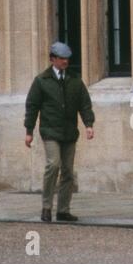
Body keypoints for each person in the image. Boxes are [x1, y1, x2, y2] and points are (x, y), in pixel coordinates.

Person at [24, 42, 95, 223]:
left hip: (69, 131)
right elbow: (32, 106)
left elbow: (84, 103)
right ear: (52, 59)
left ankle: (63, 209)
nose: (65, 62)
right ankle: (46, 207)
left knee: (68, 172)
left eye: (67, 59)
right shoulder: (42, 80)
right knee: (53, 165)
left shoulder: (74, 80)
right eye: (61, 58)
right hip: (50, 130)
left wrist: (89, 124)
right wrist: (29, 130)